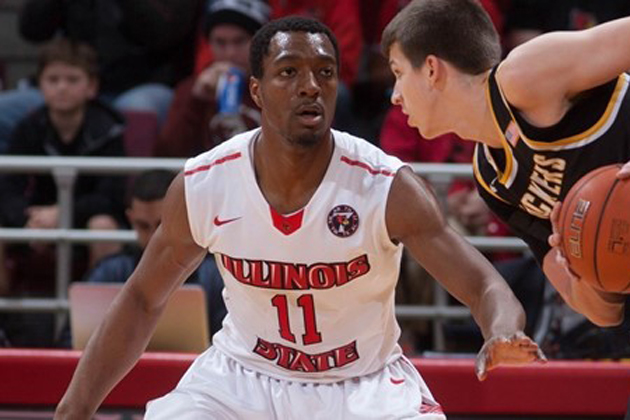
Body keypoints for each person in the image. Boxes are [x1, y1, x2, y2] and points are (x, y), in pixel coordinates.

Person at [54, 17, 544, 420]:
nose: (310, 86)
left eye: (325, 72)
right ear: (257, 91)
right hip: (240, 380)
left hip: (363, 386)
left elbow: (484, 286)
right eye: (289, 72)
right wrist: (74, 408)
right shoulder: (206, 183)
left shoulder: (385, 185)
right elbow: (141, 298)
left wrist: (502, 330)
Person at [381, 0, 630, 328]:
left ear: (431, 69)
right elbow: (602, 313)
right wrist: (588, 271)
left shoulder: (525, 75)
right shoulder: (491, 180)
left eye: (398, 73)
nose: (394, 96)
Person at [0, 38, 126, 347]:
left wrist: (63, 214)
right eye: (53, 80)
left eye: (72, 79)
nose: (62, 88)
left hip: (87, 222)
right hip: (38, 226)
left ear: (91, 86)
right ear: (40, 85)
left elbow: (110, 197)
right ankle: (5, 327)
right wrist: (27, 222)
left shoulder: (109, 130)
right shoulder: (28, 128)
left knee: (104, 228)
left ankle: (96, 332)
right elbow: (7, 189)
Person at [0, 0, 203, 153]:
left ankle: (128, 204)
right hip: (73, 83)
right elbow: (32, 31)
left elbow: (163, 34)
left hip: (140, 85)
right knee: (4, 111)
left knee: (135, 114)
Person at [78, 170, 227, 340]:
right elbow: (70, 342)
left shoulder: (215, 276)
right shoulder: (108, 273)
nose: (151, 237)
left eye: (159, 226)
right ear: (130, 218)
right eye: (142, 225)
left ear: (181, 218)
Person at [155, 0, 270, 157]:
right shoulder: (192, 88)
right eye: (220, 42)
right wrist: (195, 101)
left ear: (259, 43)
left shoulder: (277, 86)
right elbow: (167, 156)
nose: (230, 53)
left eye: (239, 41)